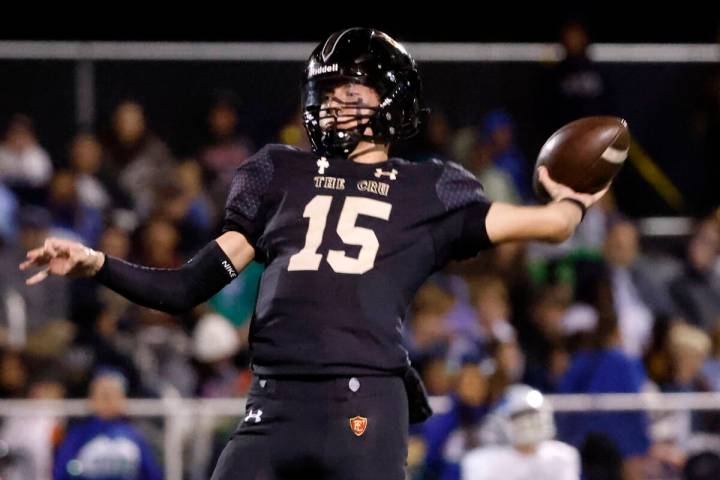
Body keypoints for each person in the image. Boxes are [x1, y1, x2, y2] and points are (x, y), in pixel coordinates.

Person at [20, 28, 610, 479]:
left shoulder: (427, 187)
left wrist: (573, 196)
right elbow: (185, 287)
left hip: (365, 404)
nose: (332, 106)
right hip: (272, 404)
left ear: (390, 101)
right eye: (326, 93)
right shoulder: (280, 172)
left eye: (350, 93)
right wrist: (97, 261)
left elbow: (548, 224)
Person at [462, 384, 580, 480]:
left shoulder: (562, 457)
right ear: (502, 422)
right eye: (520, 416)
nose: (529, 422)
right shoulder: (483, 462)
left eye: (533, 414)